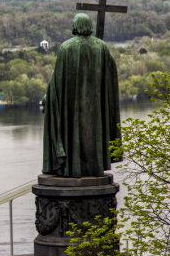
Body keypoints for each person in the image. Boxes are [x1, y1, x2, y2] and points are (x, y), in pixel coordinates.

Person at [42, 13, 121, 178]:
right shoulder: (102, 47)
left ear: (75, 25)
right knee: (93, 135)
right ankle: (94, 167)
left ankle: (72, 167)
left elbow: (57, 80)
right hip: (96, 107)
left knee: (72, 133)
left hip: (71, 107)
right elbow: (111, 76)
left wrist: (47, 98)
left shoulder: (66, 47)